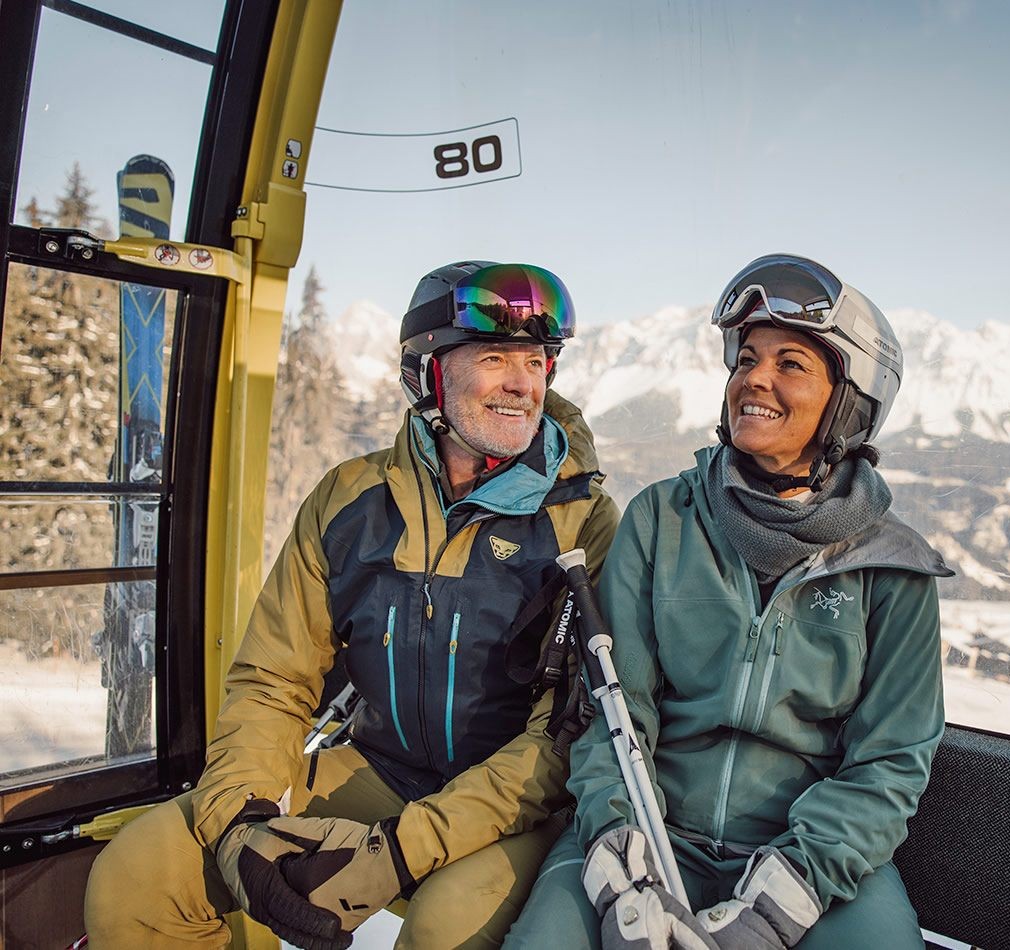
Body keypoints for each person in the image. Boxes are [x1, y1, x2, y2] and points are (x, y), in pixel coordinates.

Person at [84, 261, 619, 949]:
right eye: (494, 358)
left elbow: (559, 739)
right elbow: (275, 680)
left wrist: (398, 851)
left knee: (445, 927)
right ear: (427, 373)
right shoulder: (351, 502)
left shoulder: (584, 525)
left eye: (537, 362)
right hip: (378, 771)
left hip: (513, 811)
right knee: (143, 872)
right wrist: (240, 819)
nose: (523, 383)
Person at [506, 254, 951, 949]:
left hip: (812, 859)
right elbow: (609, 715)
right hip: (648, 835)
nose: (755, 378)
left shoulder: (890, 567)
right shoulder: (661, 521)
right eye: (746, 358)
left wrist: (786, 897)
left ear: (849, 400)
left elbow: (890, 761)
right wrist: (624, 865)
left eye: (791, 363)